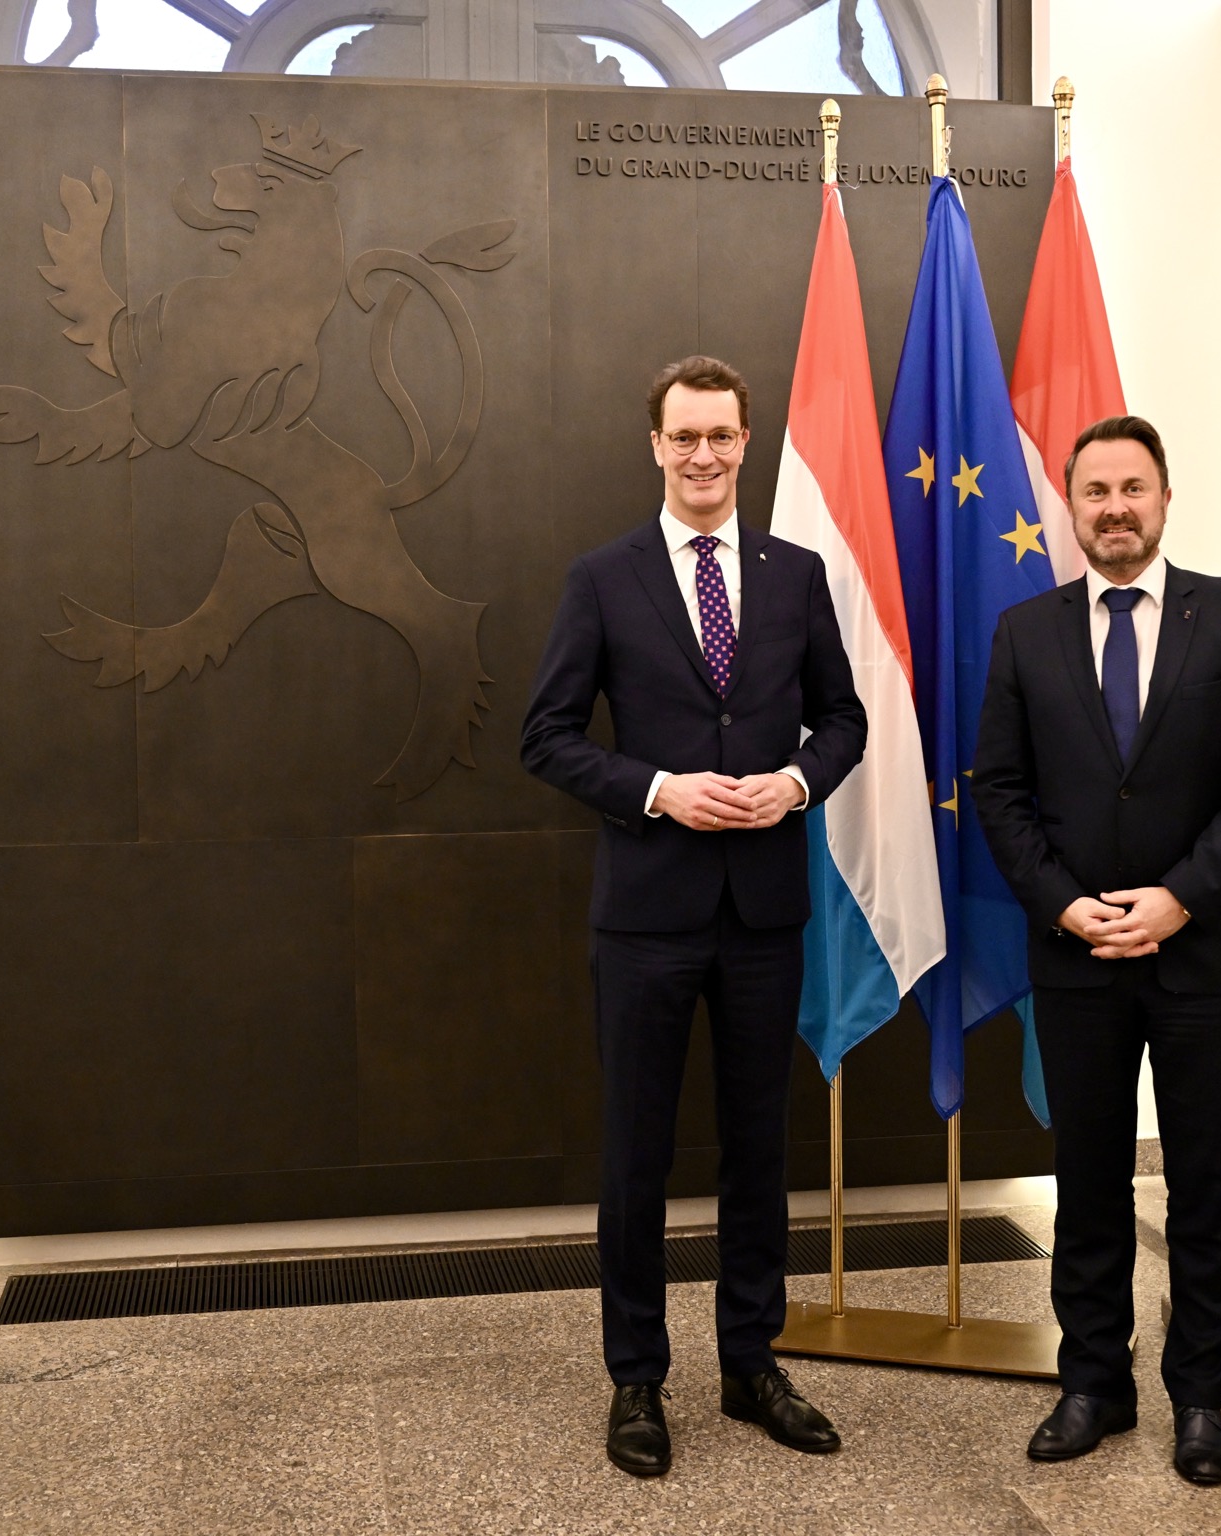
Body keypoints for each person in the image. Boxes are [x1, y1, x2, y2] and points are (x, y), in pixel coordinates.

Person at [521, 355, 868, 1479]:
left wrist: (798, 784)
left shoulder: (796, 575)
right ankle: (636, 1378)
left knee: (758, 1150)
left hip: (764, 913)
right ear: (656, 446)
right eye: (685, 436)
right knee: (637, 1154)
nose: (704, 454)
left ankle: (750, 1364)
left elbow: (845, 719)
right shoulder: (602, 577)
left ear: (745, 442)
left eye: (722, 435)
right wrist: (658, 790)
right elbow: (546, 737)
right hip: (647, 916)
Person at [973, 415, 1221, 1485]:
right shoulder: (1025, 632)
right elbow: (1000, 791)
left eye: (1132, 488)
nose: (1114, 508)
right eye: (1095, 492)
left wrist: (1179, 900)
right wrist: (1066, 907)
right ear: (1071, 508)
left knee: (1206, 1188)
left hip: (1206, 957)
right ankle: (1093, 1386)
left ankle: (1199, 1399)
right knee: (1088, 1183)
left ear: (1164, 498)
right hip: (1078, 959)